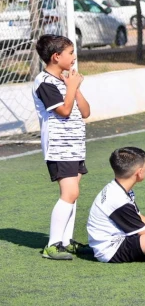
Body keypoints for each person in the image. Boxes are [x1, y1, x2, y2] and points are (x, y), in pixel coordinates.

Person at [33, 35, 91, 260]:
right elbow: (64, 111)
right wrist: (72, 86)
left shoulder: (65, 81)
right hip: (59, 147)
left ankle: (66, 241)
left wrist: (74, 88)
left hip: (75, 145)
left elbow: (85, 112)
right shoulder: (44, 82)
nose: (74, 57)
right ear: (56, 57)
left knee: (73, 193)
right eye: (70, 53)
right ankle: (53, 244)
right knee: (70, 192)